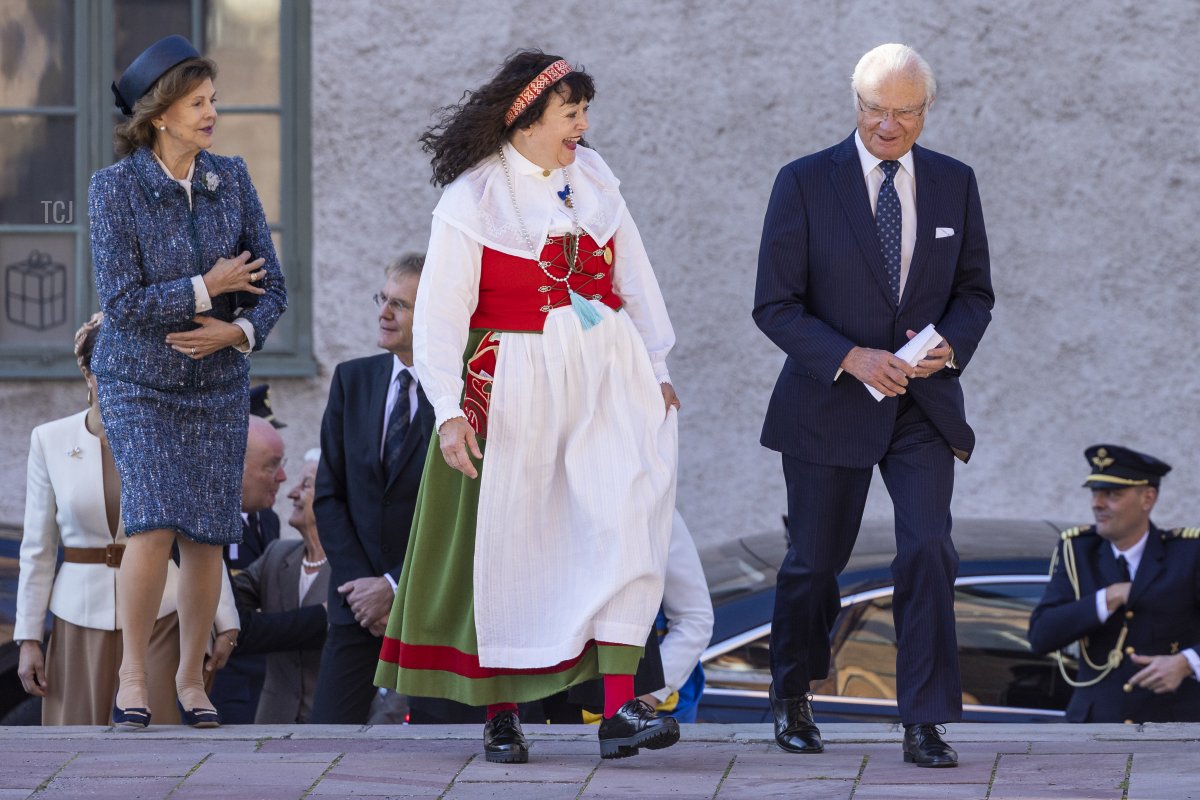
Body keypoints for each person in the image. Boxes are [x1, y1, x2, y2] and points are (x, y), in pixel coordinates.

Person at [373, 50, 681, 763]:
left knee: (623, 522)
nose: (583, 126)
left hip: (606, 375)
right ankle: (503, 713)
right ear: (528, 119)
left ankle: (616, 709)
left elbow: (635, 280)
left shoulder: (597, 181)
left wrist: (657, 367)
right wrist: (448, 409)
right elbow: (441, 319)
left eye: (583, 113)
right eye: (570, 114)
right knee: (515, 543)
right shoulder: (473, 199)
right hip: (511, 381)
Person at [753, 43, 993, 767]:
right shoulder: (803, 183)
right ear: (856, 105)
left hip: (922, 405)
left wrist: (950, 342)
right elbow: (775, 304)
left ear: (926, 111)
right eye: (876, 110)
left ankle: (923, 719)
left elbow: (975, 293)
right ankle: (793, 691)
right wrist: (850, 357)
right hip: (829, 402)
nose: (888, 126)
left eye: (905, 113)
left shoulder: (955, 182)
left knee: (928, 548)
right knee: (814, 564)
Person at [90, 34, 287, 728]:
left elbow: (272, 289)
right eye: (198, 102)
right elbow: (122, 302)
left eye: (213, 100)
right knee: (151, 520)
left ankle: (192, 678)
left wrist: (237, 331)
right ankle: (133, 675)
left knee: (208, 531)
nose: (211, 113)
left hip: (217, 380)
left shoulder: (229, 177)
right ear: (160, 115)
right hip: (138, 380)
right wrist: (209, 287)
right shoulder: (114, 189)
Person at [14, 314, 239, 725]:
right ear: (88, 371)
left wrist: (226, 620)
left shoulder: (173, 432)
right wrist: (28, 637)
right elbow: (38, 547)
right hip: (78, 615)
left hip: (164, 614)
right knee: (75, 744)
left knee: (160, 749)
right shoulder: (49, 439)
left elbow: (203, 533)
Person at [311, 253, 440, 725]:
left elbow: (455, 512)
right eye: (382, 299)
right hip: (357, 607)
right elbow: (329, 494)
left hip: (432, 611)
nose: (384, 313)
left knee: (443, 753)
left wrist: (396, 585)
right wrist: (366, 590)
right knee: (325, 741)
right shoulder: (353, 380)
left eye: (400, 305)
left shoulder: (459, 391)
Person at [1028, 445, 1200, 723]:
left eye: (1112, 494)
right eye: (1095, 493)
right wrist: (1107, 598)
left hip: (1173, 726)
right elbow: (1040, 636)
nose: (1097, 503)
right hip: (1096, 726)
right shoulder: (1078, 551)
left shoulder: (1188, 554)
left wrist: (1187, 662)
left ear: (1148, 498)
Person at [233, 448, 330, 724]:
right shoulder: (277, 555)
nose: (291, 492)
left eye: (307, 485)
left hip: (336, 726)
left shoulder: (357, 570)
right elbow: (229, 607)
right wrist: (323, 616)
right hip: (271, 725)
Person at [209, 414, 288, 722]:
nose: (282, 477)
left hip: (261, 688)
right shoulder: (199, 526)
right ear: (232, 465)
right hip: (221, 692)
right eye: (271, 465)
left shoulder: (268, 519)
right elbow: (238, 624)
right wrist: (325, 616)